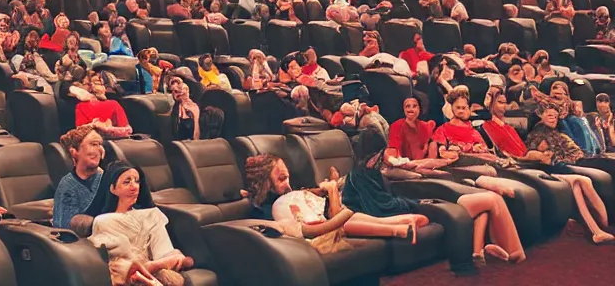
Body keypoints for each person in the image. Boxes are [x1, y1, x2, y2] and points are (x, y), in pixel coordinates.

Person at [349, 130, 525, 264]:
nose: (380, 157)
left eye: (379, 153)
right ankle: (513, 252)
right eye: (377, 154)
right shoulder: (358, 176)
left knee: (488, 203)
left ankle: (480, 254)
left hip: (414, 205)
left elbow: (387, 201)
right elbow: (380, 208)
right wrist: (413, 203)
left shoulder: (372, 173)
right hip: (412, 209)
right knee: (491, 200)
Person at [244, 154, 422, 245]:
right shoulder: (267, 212)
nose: (288, 184)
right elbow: (314, 226)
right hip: (333, 221)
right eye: (281, 179)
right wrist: (332, 190)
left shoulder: (289, 196)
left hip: (337, 210)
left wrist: (330, 188)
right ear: (264, 183)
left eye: (287, 177)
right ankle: (403, 221)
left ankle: (409, 213)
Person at [85, 161, 194, 286]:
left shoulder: (151, 214)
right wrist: (156, 265)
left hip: (158, 271)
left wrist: (168, 261)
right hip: (130, 278)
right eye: (127, 182)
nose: (134, 186)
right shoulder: (104, 221)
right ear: (113, 189)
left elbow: (163, 250)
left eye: (137, 181)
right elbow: (120, 265)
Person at [525, 102, 615, 244]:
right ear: (540, 116)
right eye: (549, 115)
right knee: (582, 181)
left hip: (574, 160)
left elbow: (576, 150)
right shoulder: (536, 136)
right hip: (559, 167)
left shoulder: (558, 133)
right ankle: (598, 230)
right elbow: (532, 155)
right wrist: (543, 155)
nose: (553, 118)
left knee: (604, 166)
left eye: (555, 116)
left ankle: (604, 226)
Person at [53, 125, 105, 230]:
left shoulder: (109, 179)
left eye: (100, 144)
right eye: (93, 144)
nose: (100, 149)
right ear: (74, 152)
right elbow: (65, 228)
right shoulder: (68, 186)